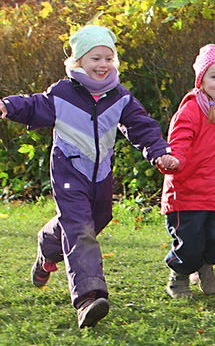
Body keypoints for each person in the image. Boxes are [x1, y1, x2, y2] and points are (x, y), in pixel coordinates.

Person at [0, 24, 178, 328]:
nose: (103, 65)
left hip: (101, 174)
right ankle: (88, 298)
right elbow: (33, 105)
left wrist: (158, 151)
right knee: (80, 227)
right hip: (69, 169)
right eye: (95, 58)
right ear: (78, 61)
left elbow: (141, 126)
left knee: (96, 219)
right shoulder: (62, 94)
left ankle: (47, 247)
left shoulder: (119, 96)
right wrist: (6, 106)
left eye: (108, 58)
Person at [160, 44, 215, 299]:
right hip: (188, 194)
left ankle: (206, 264)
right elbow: (180, 140)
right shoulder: (192, 109)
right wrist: (175, 160)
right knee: (189, 244)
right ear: (202, 80)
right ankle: (180, 275)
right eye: (214, 76)